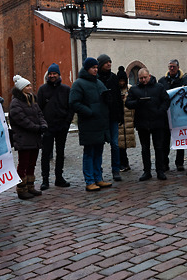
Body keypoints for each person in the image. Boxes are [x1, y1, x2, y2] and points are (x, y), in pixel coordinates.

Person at [69, 57, 112, 192]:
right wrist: (89, 111)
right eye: (93, 67)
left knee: (98, 152)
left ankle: (98, 178)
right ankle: (89, 180)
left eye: (96, 67)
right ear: (87, 68)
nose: (95, 70)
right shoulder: (79, 84)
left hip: (100, 123)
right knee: (89, 153)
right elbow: (74, 103)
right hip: (88, 123)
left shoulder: (98, 82)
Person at [125, 68, 170, 181]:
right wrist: (138, 102)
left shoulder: (158, 87)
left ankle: (160, 170)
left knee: (159, 147)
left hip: (157, 122)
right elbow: (128, 103)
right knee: (145, 148)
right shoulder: (134, 89)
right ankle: (147, 171)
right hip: (142, 123)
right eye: (141, 78)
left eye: (145, 77)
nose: (143, 80)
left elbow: (166, 100)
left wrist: (161, 111)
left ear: (149, 76)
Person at [9, 75, 47, 199]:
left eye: (30, 85)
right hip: (23, 138)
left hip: (34, 138)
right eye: (27, 86)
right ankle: (21, 188)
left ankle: (30, 186)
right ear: (21, 88)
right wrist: (37, 127)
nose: (30, 88)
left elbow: (39, 114)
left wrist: (43, 124)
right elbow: (22, 120)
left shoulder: (32, 100)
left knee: (32, 163)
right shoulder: (15, 103)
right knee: (23, 164)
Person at [37, 63, 73, 189]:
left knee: (60, 153)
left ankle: (59, 177)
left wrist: (67, 123)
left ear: (58, 75)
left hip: (61, 127)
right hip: (48, 127)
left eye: (54, 74)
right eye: (50, 74)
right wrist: (42, 125)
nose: (52, 76)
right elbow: (39, 109)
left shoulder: (66, 89)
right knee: (46, 154)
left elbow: (70, 108)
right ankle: (45, 179)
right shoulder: (42, 90)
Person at [97, 54, 124, 182]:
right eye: (106, 62)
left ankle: (116, 170)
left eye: (110, 62)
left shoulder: (113, 77)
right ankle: (99, 171)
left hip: (113, 115)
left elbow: (118, 97)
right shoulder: (96, 79)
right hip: (101, 116)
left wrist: (121, 115)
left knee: (115, 144)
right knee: (100, 145)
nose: (109, 64)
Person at [159, 59, 185, 171]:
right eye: (170, 66)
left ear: (178, 67)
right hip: (166, 116)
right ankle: (165, 163)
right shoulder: (162, 81)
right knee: (165, 141)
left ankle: (179, 163)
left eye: (173, 66)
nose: (171, 68)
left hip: (180, 116)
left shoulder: (184, 80)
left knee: (180, 141)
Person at [116, 67, 136, 172]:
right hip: (119, 121)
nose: (121, 83)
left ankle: (125, 162)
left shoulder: (130, 89)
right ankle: (122, 163)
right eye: (120, 81)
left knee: (125, 143)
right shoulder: (115, 91)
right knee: (120, 145)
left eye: (123, 81)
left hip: (129, 120)